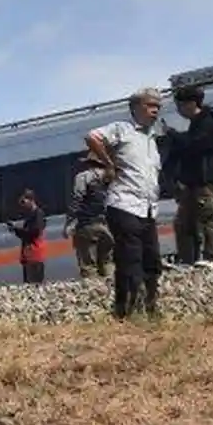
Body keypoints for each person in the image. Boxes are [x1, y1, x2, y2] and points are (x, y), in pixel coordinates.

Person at [85, 87, 164, 319]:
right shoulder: (123, 129)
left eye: (158, 107)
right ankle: (130, 310)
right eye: (151, 106)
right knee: (131, 258)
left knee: (152, 260)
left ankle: (146, 307)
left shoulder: (152, 139)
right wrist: (109, 163)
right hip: (124, 204)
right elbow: (93, 136)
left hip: (148, 209)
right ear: (136, 108)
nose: (155, 111)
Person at [162, 85, 213, 266]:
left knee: (207, 219)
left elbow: (196, 146)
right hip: (190, 182)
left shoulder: (208, 122)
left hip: (204, 180)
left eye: (180, 105)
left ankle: (210, 257)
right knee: (183, 223)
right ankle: (186, 259)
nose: (179, 110)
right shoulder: (196, 124)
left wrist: (173, 134)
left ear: (191, 103)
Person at [63, 150, 114, 278]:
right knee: (107, 262)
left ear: (89, 163)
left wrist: (69, 222)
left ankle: (95, 293)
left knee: (88, 265)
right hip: (108, 226)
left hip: (87, 224)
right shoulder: (111, 177)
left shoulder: (83, 177)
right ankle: (113, 291)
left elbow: (76, 200)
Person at [5, 189, 46, 284]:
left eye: (23, 202)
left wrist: (17, 229)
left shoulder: (38, 214)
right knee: (28, 284)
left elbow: (34, 233)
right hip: (28, 256)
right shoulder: (30, 214)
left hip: (35, 255)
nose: (22, 205)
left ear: (31, 200)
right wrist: (15, 229)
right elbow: (26, 234)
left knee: (34, 285)